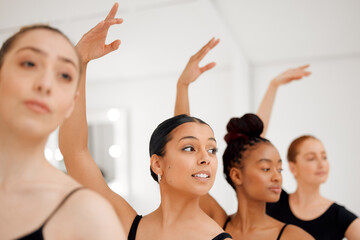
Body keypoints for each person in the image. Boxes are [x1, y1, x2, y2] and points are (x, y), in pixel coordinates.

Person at [58, 3, 232, 240]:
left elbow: (182, 129)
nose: (206, 158)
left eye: (212, 149)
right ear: (157, 164)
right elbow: (74, 153)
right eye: (190, 148)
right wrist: (78, 63)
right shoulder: (130, 225)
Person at [0, 18, 125, 240]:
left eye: (64, 75)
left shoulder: (89, 216)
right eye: (29, 64)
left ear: (71, 104)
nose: (45, 84)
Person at [173, 41, 313, 239]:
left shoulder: (294, 236)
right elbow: (184, 140)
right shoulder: (217, 223)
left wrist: (273, 86)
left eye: (279, 169)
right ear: (237, 176)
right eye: (266, 168)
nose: (277, 177)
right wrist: (183, 85)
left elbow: (257, 149)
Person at [257, 67, 360, 239]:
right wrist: (273, 86)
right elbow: (255, 145)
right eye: (311, 158)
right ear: (293, 167)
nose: (321, 163)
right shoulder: (274, 201)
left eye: (324, 157)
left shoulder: (339, 216)